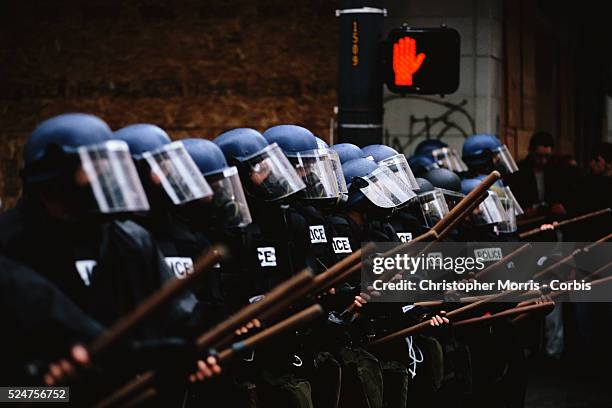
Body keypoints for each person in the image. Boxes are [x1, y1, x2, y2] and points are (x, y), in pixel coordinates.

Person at [506, 131, 566, 217]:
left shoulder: (555, 170)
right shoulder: (519, 171)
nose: (543, 161)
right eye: (539, 156)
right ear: (531, 151)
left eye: (547, 156)